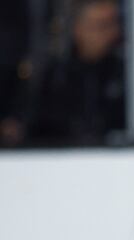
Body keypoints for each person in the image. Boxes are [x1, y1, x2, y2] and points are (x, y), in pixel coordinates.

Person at [27, 0, 124, 145]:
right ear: (78, 29)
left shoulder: (126, 75)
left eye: (115, 24)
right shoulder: (56, 78)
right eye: (102, 26)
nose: (113, 33)